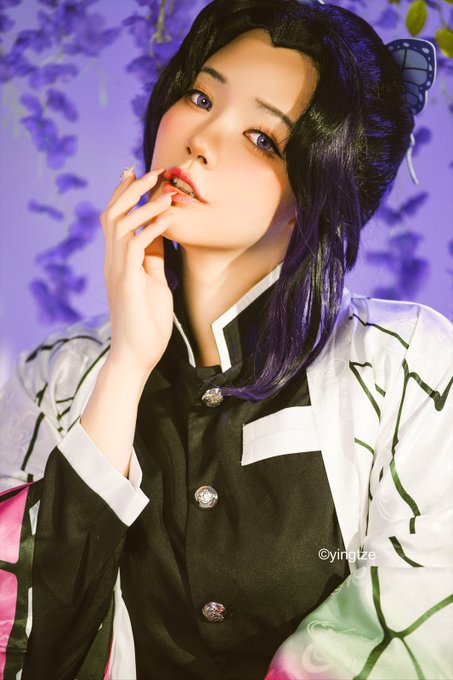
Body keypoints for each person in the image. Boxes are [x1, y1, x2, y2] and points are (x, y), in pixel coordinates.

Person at [0, 0, 451, 678]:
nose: (202, 137)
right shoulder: (54, 377)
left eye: (263, 138)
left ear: (320, 193)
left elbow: (421, 627)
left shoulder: (408, 370)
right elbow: (25, 643)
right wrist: (126, 366)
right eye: (201, 96)